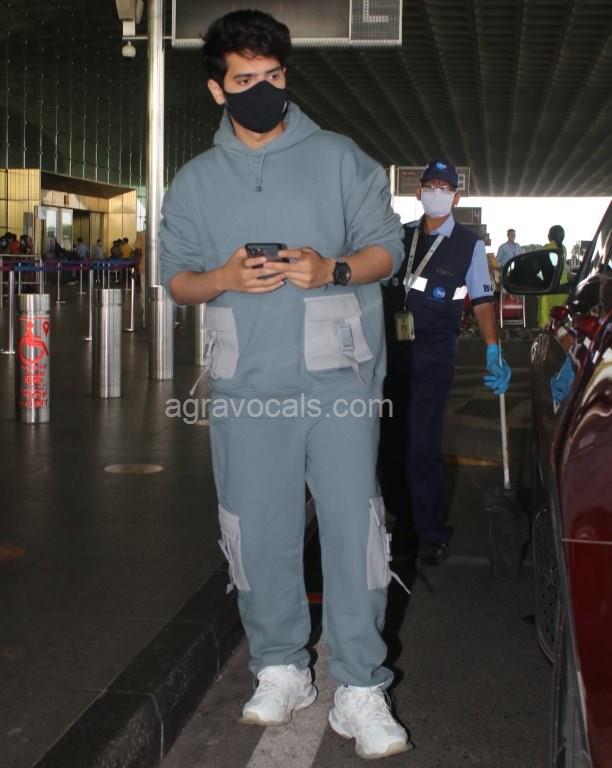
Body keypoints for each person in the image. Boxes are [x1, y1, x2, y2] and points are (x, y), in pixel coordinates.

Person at [160, 10, 411, 760]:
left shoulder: (338, 158)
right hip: (247, 383)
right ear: (217, 89)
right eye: (245, 80)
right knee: (256, 530)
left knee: (355, 530)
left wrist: (332, 268)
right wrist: (223, 277)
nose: (263, 90)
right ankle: (281, 668)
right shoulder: (196, 181)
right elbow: (177, 279)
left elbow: (388, 250)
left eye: (273, 76)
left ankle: (360, 686)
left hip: (340, 380)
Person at [379, 160, 512, 565]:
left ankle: (430, 531)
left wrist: (493, 349)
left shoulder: (469, 245)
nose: (436, 192)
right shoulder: (399, 236)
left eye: (444, 186)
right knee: (390, 441)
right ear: (418, 191)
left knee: (421, 443)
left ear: (456, 196)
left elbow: (483, 302)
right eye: (430, 185)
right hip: (392, 352)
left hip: (434, 355)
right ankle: (401, 519)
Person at [538, 225, 568, 328]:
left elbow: (540, 270)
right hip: (563, 290)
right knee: (560, 319)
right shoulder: (564, 249)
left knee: (547, 319)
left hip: (550, 289)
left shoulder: (546, 248)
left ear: (549, 236)